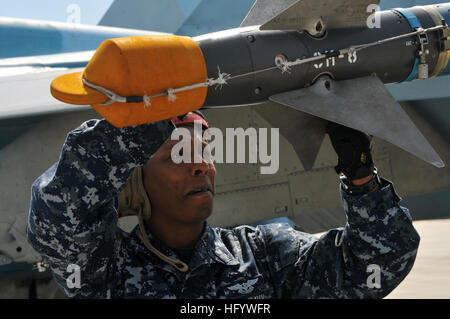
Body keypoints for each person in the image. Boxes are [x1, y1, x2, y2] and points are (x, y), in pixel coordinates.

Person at [27, 111, 420, 298]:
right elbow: (58, 218)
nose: (199, 166)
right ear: (139, 179)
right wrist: (145, 121)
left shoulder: (263, 254)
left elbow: (373, 269)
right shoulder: (104, 273)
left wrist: (362, 181)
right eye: (179, 155)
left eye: (203, 152)